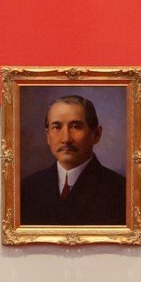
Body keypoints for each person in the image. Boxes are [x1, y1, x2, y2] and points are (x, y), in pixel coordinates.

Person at [19, 94, 127, 225]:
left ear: (96, 134)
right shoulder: (28, 188)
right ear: (47, 135)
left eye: (76, 126)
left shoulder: (120, 191)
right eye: (56, 127)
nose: (66, 139)